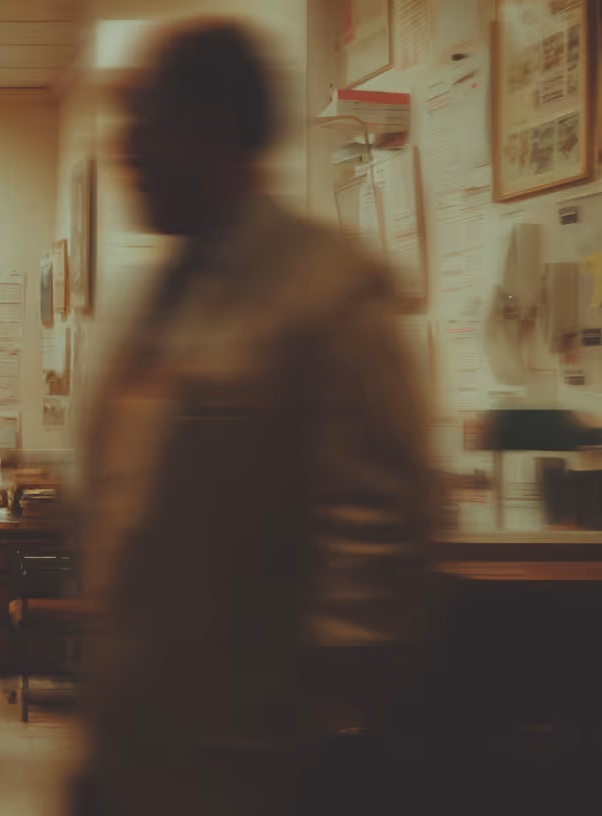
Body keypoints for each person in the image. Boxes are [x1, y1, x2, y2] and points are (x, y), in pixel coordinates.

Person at [69, 19, 432, 816]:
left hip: (252, 761)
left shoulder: (325, 293)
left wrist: (326, 729)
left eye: (145, 123)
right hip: (136, 741)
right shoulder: (150, 304)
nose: (124, 150)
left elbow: (379, 534)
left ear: (215, 131)